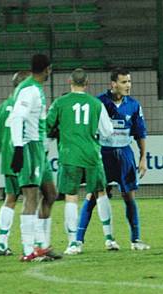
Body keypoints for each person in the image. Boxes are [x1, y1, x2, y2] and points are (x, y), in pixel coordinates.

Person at [76, 67, 151, 251]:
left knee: (129, 197)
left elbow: (140, 133)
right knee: (93, 196)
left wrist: (143, 158)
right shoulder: (98, 103)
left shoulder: (133, 105)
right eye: (124, 82)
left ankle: (136, 240)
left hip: (125, 154)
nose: (128, 85)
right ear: (113, 84)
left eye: (129, 81)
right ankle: (78, 240)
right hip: (103, 154)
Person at [46, 68, 115, 255]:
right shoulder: (96, 104)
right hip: (92, 155)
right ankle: (109, 239)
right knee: (100, 192)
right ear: (87, 83)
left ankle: (73, 243)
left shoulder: (60, 103)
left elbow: (47, 127)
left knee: (71, 196)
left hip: (69, 156)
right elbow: (108, 131)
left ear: (70, 81)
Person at [5, 54, 59, 261]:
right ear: (48, 69)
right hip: (28, 148)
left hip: (38, 150)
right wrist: (19, 149)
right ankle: (29, 251)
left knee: (51, 193)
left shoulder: (34, 88)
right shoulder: (30, 90)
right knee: (31, 197)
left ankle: (42, 245)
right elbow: (17, 117)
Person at [0, 71, 31, 256]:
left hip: (8, 162)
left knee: (10, 199)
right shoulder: (29, 106)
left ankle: (1, 243)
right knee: (32, 200)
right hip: (27, 159)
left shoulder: (2, 108)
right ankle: (30, 245)